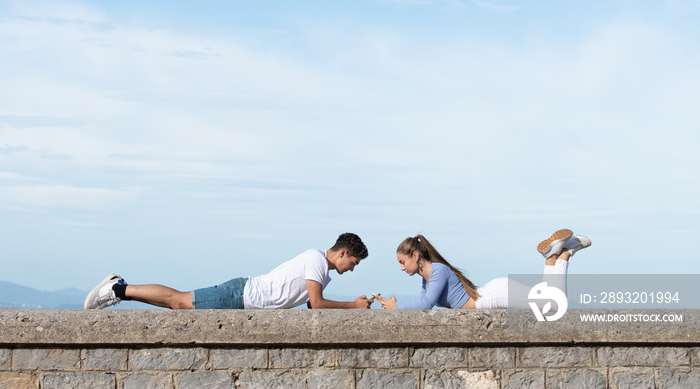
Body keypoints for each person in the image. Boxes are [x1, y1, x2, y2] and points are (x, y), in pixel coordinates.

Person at [85, 233, 374, 310]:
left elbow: (312, 305)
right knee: (179, 301)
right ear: (343, 253)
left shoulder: (321, 269)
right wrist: (354, 305)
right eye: (353, 263)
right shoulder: (315, 260)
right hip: (242, 295)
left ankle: (120, 292)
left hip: (244, 295)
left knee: (179, 305)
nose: (351, 270)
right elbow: (319, 304)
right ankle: (117, 289)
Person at [374, 229, 591, 310]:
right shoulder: (427, 279)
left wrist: (397, 306)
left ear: (415, 255)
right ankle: (561, 254)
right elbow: (422, 305)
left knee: (554, 306)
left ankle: (559, 255)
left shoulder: (438, 271)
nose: (401, 268)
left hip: (492, 297)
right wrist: (393, 306)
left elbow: (425, 305)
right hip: (491, 293)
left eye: (402, 262)